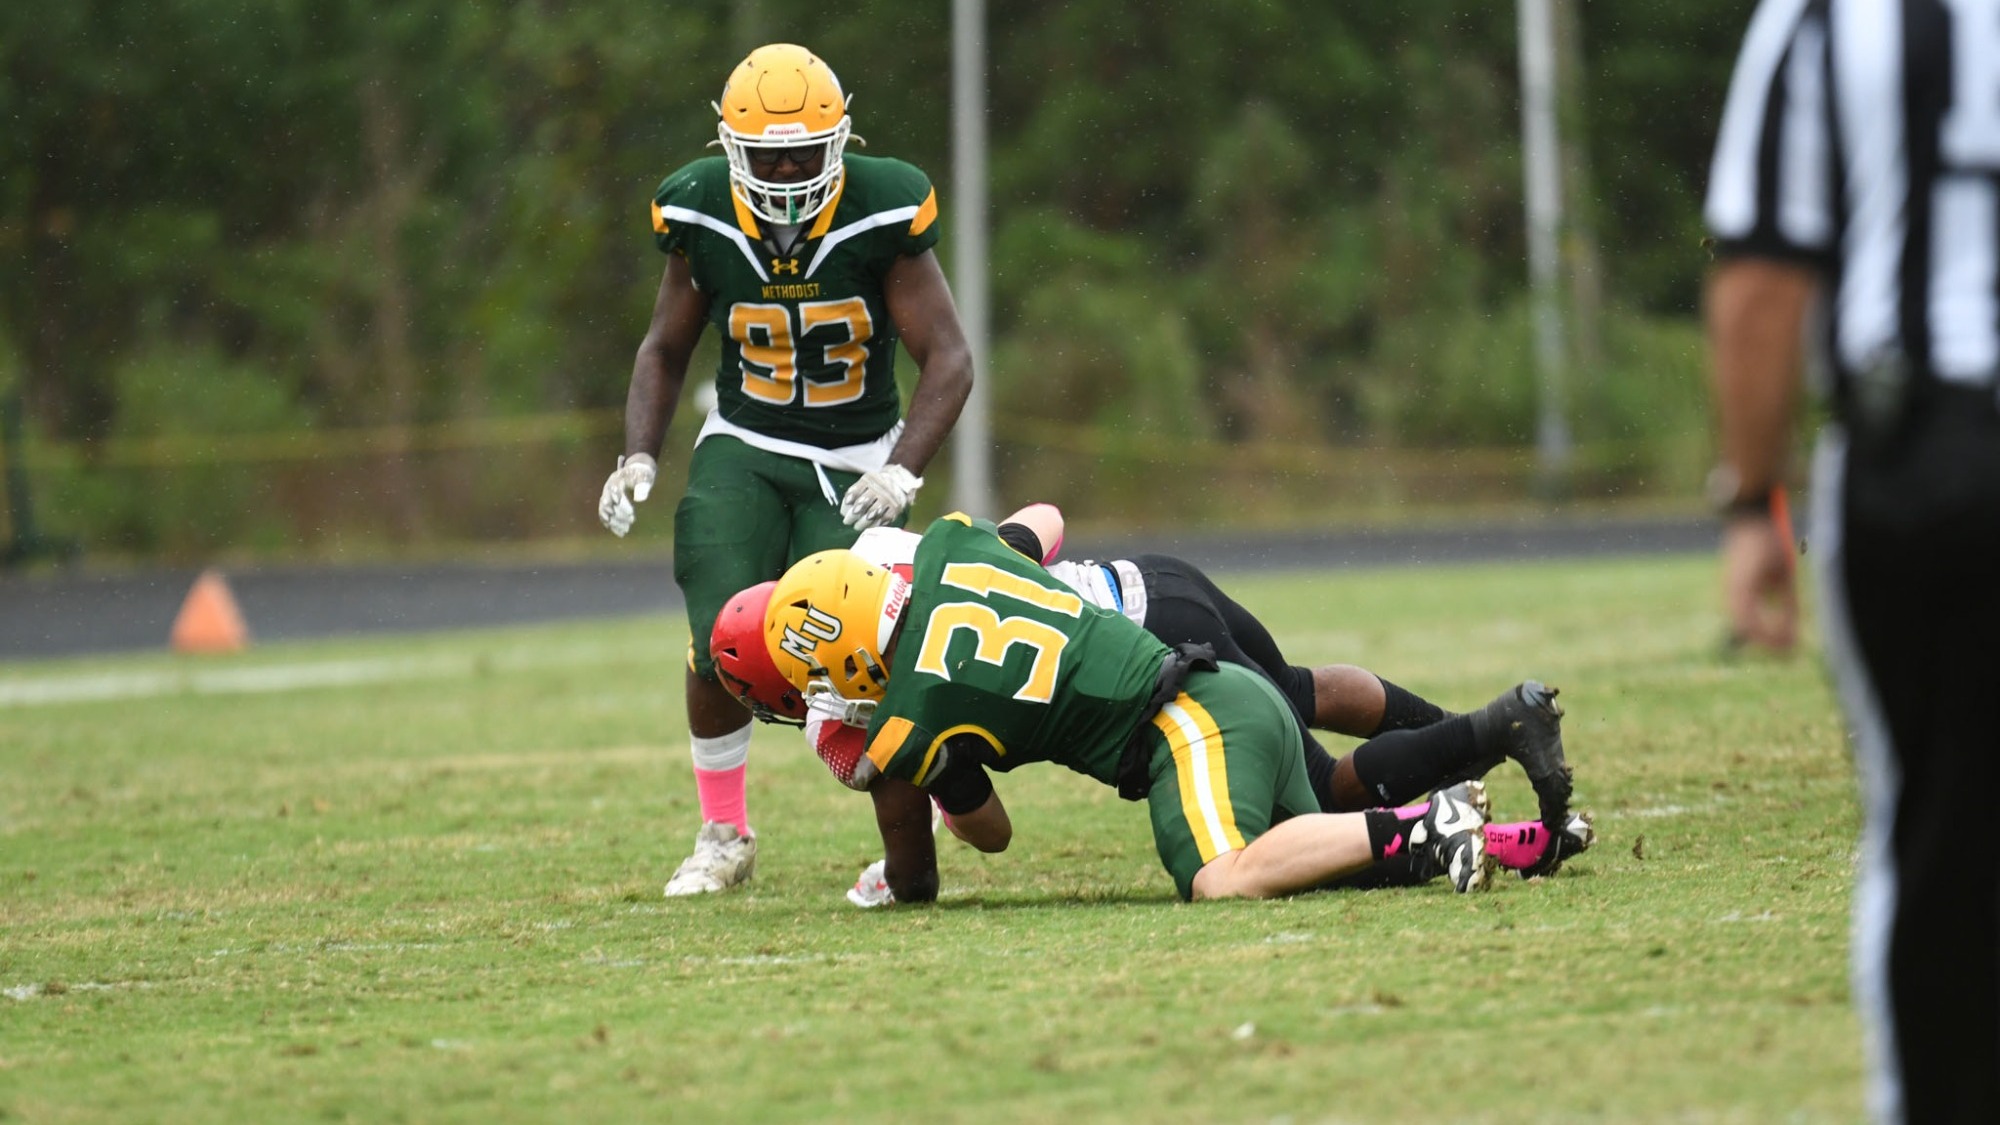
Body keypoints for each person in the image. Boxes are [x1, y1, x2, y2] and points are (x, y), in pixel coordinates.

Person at [709, 509, 1591, 903]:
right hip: (1175, 634)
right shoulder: (946, 544)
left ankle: (1430, 820)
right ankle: (1509, 820)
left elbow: (990, 834)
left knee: (1226, 873)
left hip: (1180, 721)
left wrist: (917, 761)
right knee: (1312, 805)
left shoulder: (900, 721)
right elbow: (1039, 521)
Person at [1705, 3, 2000, 1121]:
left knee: (1926, 827)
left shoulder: (1831, 18)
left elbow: (1761, 275)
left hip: (1927, 459)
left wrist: (1749, 501)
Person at [595, 44, 972, 896]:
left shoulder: (882, 204)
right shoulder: (699, 207)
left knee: (868, 654)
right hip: (747, 442)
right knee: (717, 631)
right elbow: (664, 347)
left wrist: (903, 471)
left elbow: (947, 357)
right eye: (770, 153)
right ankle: (722, 831)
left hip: (857, 458)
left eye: (807, 148)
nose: (791, 167)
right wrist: (639, 452)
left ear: (844, 137)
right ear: (730, 148)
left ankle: (937, 803)